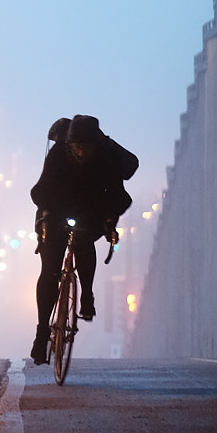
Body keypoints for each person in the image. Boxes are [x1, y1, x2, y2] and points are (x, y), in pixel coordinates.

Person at [27, 114, 137, 365]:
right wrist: (45, 213)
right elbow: (42, 189)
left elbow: (117, 195)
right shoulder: (58, 155)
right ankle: (41, 331)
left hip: (90, 212)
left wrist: (109, 219)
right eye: (76, 147)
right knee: (49, 269)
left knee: (84, 242)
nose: (80, 153)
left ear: (94, 146)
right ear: (69, 145)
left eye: (85, 148)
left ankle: (86, 295)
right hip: (56, 212)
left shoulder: (106, 158)